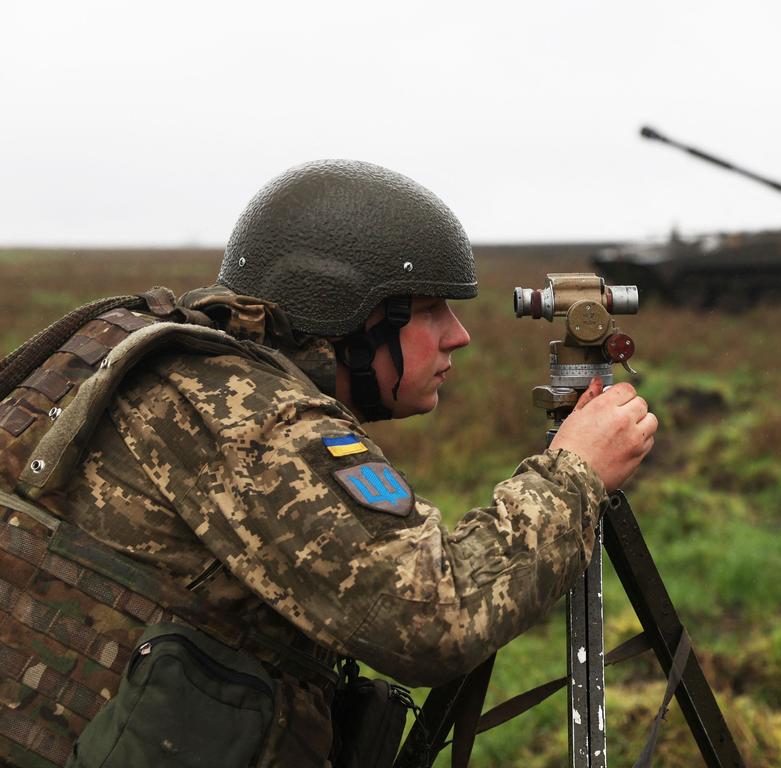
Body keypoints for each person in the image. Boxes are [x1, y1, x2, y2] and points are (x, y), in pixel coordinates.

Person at [0, 160, 656, 768]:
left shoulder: (170, 360)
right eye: (429, 310)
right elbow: (431, 619)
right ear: (349, 316)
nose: (459, 335)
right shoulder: (247, 415)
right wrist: (575, 471)